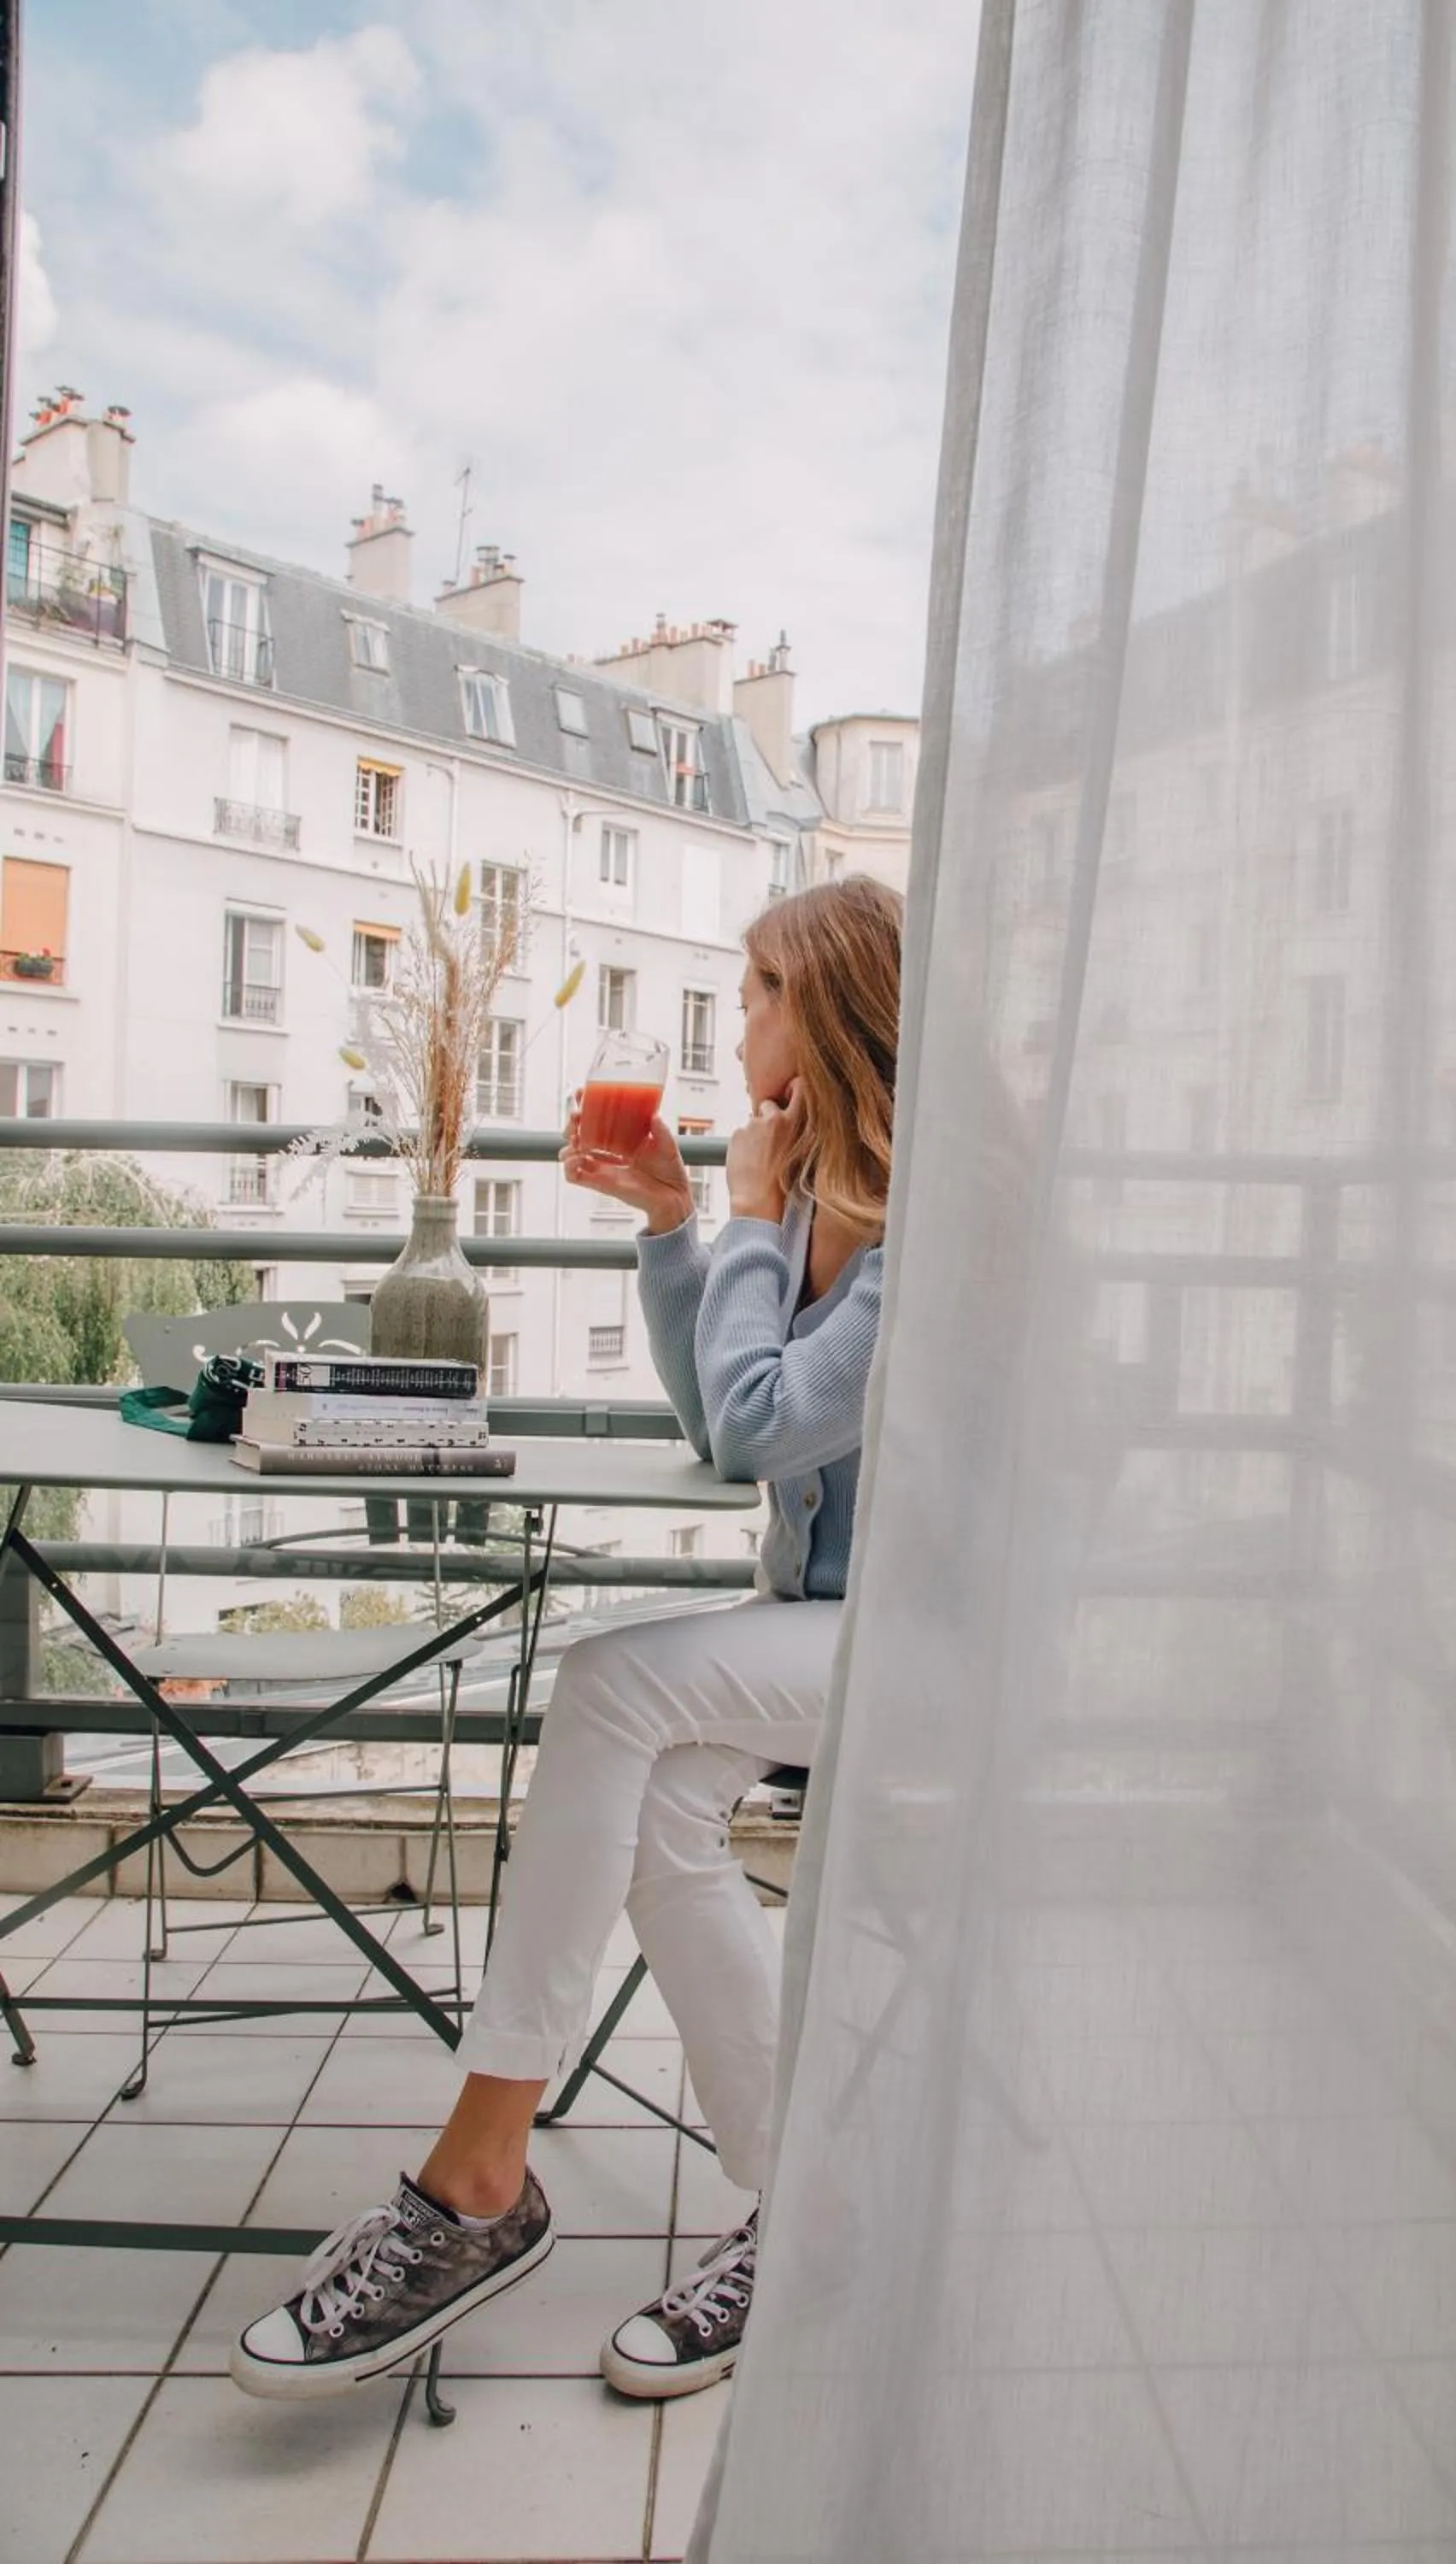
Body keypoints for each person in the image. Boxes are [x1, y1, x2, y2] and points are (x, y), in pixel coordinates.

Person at [229, 874, 903, 2405]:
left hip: (942, 1645)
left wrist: (727, 1221)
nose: (738, 1020)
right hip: (823, 1627)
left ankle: (478, 2178)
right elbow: (711, 1403)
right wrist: (680, 1224)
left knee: (606, 1684)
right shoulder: (798, 1188)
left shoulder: (927, 1218)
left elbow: (751, 1432)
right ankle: (804, 2209)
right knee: (657, 1787)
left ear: (830, 1011)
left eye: (755, 992)